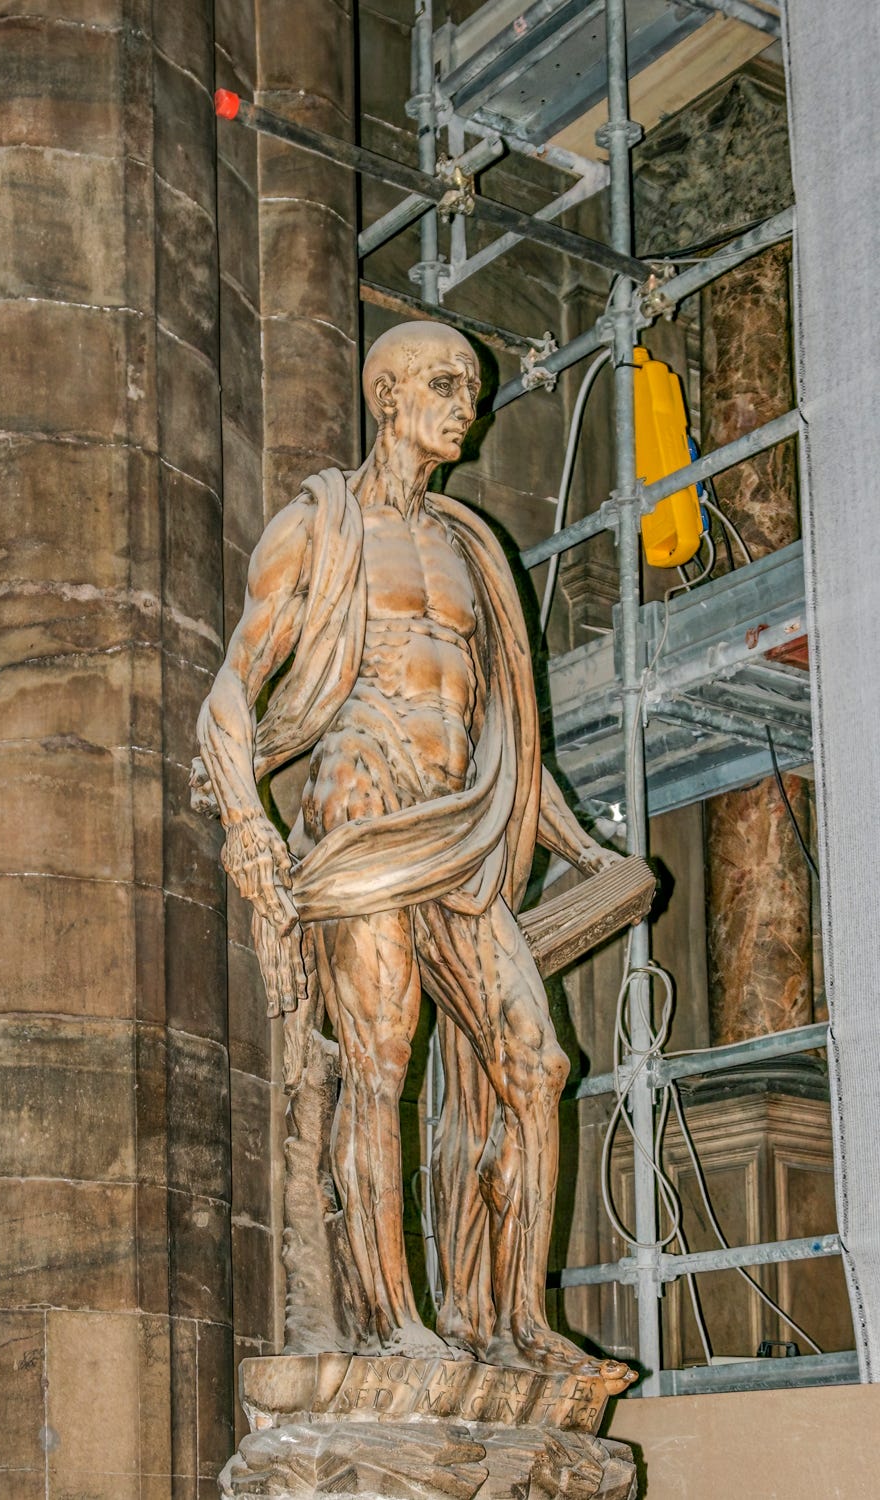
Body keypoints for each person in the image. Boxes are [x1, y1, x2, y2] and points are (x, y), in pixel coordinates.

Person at [195, 321, 632, 1389]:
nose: (464, 407)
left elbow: (510, 742)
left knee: (535, 1064)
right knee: (380, 1067)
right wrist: (248, 821)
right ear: (385, 395)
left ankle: (515, 1325)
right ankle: (392, 1320)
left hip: (466, 825)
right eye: (444, 385)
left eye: (471, 390)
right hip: (363, 803)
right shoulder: (320, 525)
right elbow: (231, 691)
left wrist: (585, 853)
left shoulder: (475, 547)